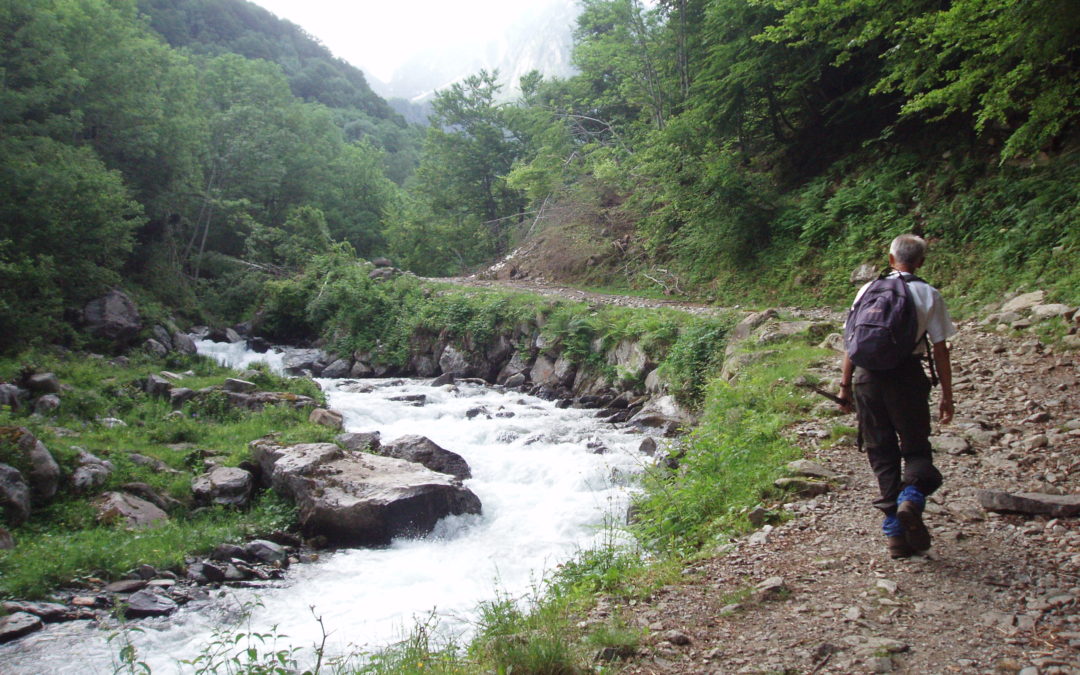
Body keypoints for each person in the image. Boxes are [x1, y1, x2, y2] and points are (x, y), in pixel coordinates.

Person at [837, 234, 956, 559]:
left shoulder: (867, 290)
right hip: (907, 378)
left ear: (890, 260)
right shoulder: (929, 294)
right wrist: (947, 394)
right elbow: (941, 349)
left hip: (867, 380)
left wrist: (844, 387)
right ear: (921, 262)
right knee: (916, 448)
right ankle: (912, 498)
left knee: (882, 454)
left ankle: (895, 536)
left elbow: (852, 341)